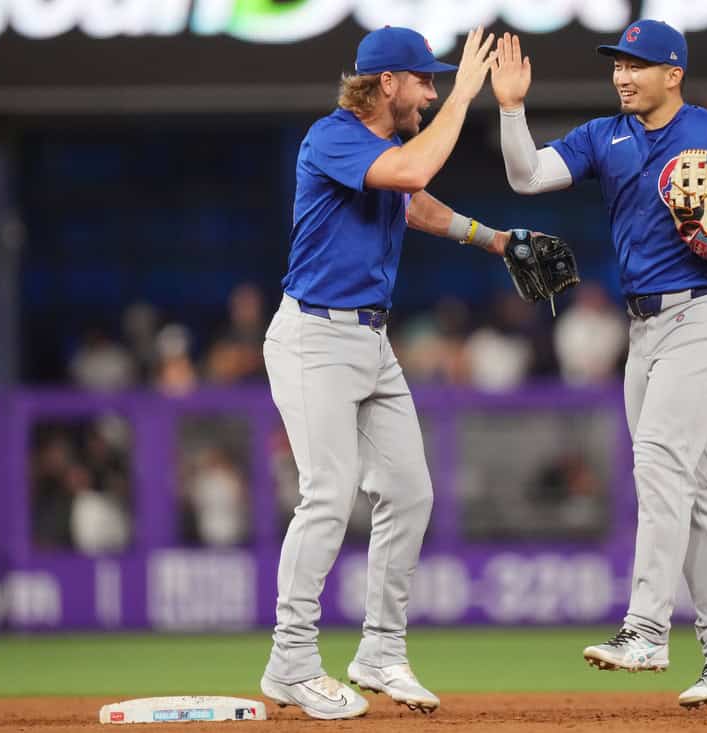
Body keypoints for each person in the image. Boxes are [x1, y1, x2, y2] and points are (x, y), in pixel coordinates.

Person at [492, 20, 707, 708]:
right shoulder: (606, 136)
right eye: (617, 64)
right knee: (688, 483)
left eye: (636, 64)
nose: (622, 75)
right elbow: (526, 173)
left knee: (659, 460)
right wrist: (511, 107)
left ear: (672, 73)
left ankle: (646, 628)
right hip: (645, 329)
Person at [259, 26, 513, 720]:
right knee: (328, 493)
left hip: (369, 339)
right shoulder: (333, 136)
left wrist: (492, 239)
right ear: (387, 84)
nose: (431, 93)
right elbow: (410, 175)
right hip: (313, 334)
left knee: (409, 490)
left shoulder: (379, 151)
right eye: (423, 81)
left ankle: (379, 650)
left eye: (439, 81)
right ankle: (290, 660)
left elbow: (415, 203)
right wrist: (467, 92)